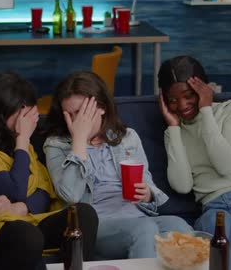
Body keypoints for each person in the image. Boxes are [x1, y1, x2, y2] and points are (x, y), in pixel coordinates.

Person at [0, 72, 98, 270]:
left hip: (27, 219)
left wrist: (21, 208)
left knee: (83, 215)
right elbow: (15, 190)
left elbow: (43, 191)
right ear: (3, 111)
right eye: (25, 113)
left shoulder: (18, 145)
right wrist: (23, 139)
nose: (31, 120)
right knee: (26, 235)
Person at [43, 71, 193, 260]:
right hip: (96, 226)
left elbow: (148, 185)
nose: (77, 121)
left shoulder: (127, 138)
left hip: (137, 216)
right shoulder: (56, 145)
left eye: (82, 113)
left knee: (180, 227)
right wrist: (79, 141)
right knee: (144, 230)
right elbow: (70, 196)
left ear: (102, 107)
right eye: (70, 115)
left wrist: (147, 194)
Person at [157, 55, 231, 270]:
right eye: (172, 100)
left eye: (188, 95)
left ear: (203, 89)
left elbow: (225, 165)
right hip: (212, 206)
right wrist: (173, 129)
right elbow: (182, 185)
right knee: (216, 233)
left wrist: (206, 111)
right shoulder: (175, 132)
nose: (182, 105)